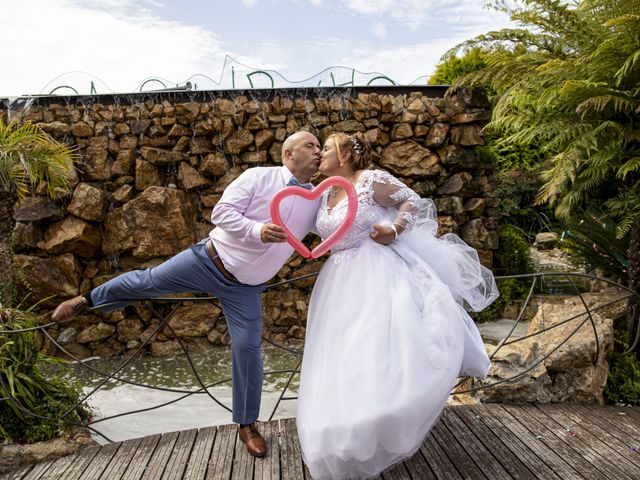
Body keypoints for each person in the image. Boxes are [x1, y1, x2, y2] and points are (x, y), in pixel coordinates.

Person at [52, 130, 322, 457]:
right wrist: (257, 230)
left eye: (321, 147)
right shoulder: (258, 177)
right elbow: (221, 213)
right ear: (288, 154)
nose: (319, 151)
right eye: (311, 145)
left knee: (248, 348)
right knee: (147, 282)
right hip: (207, 260)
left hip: (246, 289)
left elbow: (332, 230)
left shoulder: (317, 200)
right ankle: (88, 300)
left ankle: (247, 425)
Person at [296, 132, 499, 479]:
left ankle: (386, 420)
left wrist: (394, 229)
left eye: (326, 148)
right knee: (342, 352)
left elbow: (412, 202)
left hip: (376, 270)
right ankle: (345, 431)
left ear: (345, 154)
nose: (320, 155)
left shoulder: (371, 180)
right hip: (338, 278)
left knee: (378, 346)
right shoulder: (325, 192)